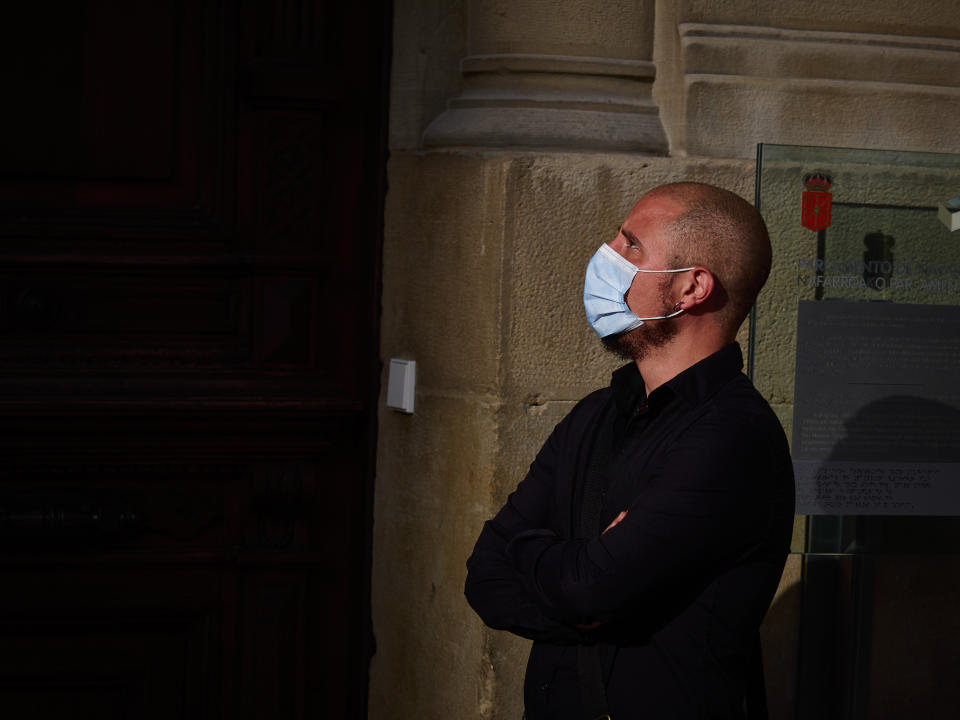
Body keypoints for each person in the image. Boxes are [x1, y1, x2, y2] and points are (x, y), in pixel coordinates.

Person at [464, 182, 795, 720]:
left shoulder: (733, 437)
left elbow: (587, 588)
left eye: (630, 246)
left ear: (691, 289)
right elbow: (485, 575)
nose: (605, 257)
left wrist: (539, 561)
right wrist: (575, 585)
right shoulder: (597, 413)